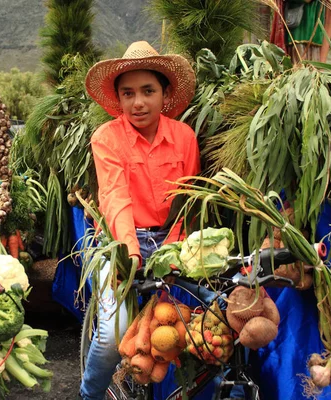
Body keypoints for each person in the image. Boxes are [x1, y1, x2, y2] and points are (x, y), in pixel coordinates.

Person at [80, 41, 205, 399]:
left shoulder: (184, 137)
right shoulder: (107, 137)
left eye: (147, 91)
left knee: (193, 325)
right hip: (119, 242)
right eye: (128, 93)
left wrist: (174, 250)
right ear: (118, 99)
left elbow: (188, 202)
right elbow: (114, 196)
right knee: (112, 334)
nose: (138, 102)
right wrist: (130, 253)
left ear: (164, 93)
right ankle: (88, 395)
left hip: (173, 241)